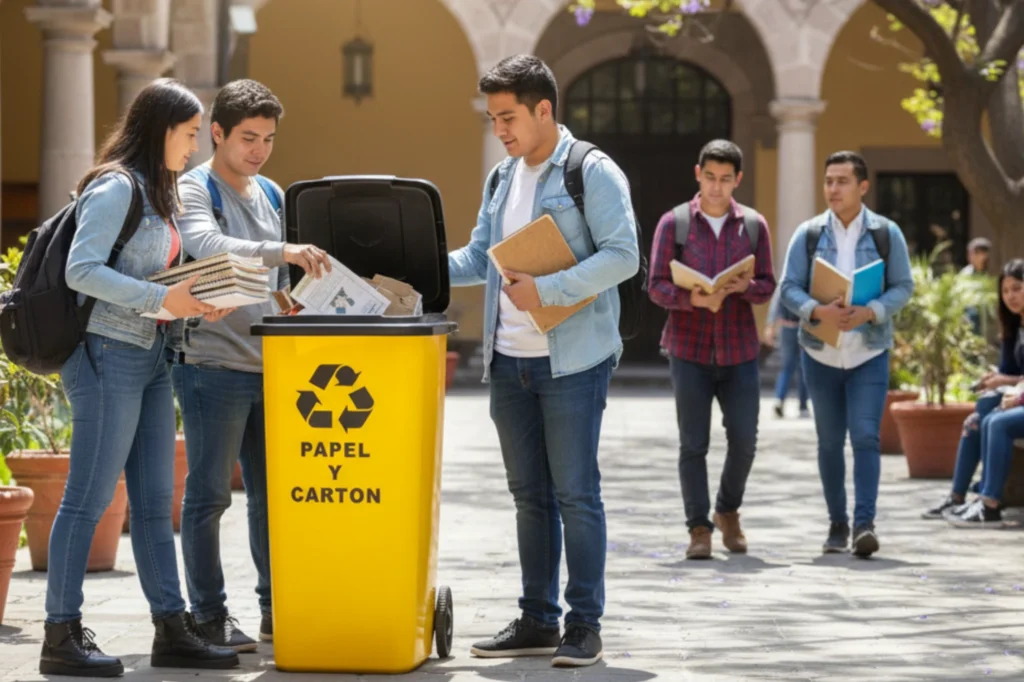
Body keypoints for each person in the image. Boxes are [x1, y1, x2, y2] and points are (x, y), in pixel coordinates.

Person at [42, 78, 239, 677]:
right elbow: (81, 270)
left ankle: (171, 630)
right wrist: (160, 298)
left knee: (155, 503)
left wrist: (195, 301)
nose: (194, 146)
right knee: (88, 498)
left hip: (152, 354)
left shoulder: (161, 191)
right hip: (106, 355)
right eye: (189, 134)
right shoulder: (116, 187)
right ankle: (60, 635)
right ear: (161, 130)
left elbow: (155, 278)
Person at [448, 54, 639, 668]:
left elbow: (624, 255)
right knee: (529, 496)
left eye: (507, 117)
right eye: (492, 118)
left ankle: (584, 625)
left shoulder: (591, 171)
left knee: (576, 494)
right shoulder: (501, 178)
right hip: (508, 361)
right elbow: (481, 258)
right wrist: (417, 264)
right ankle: (536, 618)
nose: (499, 129)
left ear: (543, 109)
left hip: (572, 362)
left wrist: (548, 291)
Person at [173, 79, 332, 650]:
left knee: (273, 496)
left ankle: (274, 610)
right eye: (248, 138)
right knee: (209, 496)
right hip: (211, 366)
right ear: (217, 133)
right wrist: (279, 251)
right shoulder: (193, 188)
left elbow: (281, 286)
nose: (259, 150)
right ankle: (208, 615)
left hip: (274, 368)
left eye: (268, 139)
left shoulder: (271, 193)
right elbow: (203, 243)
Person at [779, 151, 914, 558]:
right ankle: (837, 524)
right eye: (828, 181)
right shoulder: (808, 234)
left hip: (868, 352)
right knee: (829, 442)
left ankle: (864, 524)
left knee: (866, 436)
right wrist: (817, 310)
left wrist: (870, 311)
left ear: (863, 186)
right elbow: (788, 287)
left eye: (842, 181)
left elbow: (903, 286)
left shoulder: (886, 233)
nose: (833, 189)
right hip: (819, 353)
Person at [648, 140, 775, 560]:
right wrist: (693, 299)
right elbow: (655, 286)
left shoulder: (753, 226)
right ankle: (698, 528)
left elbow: (767, 286)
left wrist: (745, 286)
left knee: (745, 440)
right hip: (688, 350)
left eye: (725, 179)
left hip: (740, 350)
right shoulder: (674, 224)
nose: (716, 187)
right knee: (693, 444)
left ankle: (727, 510)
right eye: (709, 178)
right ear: (697, 174)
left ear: (738, 179)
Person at [923, 259, 1024, 524]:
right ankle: (957, 497)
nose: (1011, 296)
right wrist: (995, 379)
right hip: (1019, 398)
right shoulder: (1014, 327)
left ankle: (989, 504)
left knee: (996, 422)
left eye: (1017, 288)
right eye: (1005, 291)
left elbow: (1012, 379)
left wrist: (1005, 381)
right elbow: (1010, 373)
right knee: (977, 420)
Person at [765, 289, 810, 419]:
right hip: (799, 327)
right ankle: (801, 406)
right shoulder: (802, 282)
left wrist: (770, 326)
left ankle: (783, 400)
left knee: (791, 367)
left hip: (794, 327)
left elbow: (775, 305)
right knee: (798, 367)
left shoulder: (784, 284)